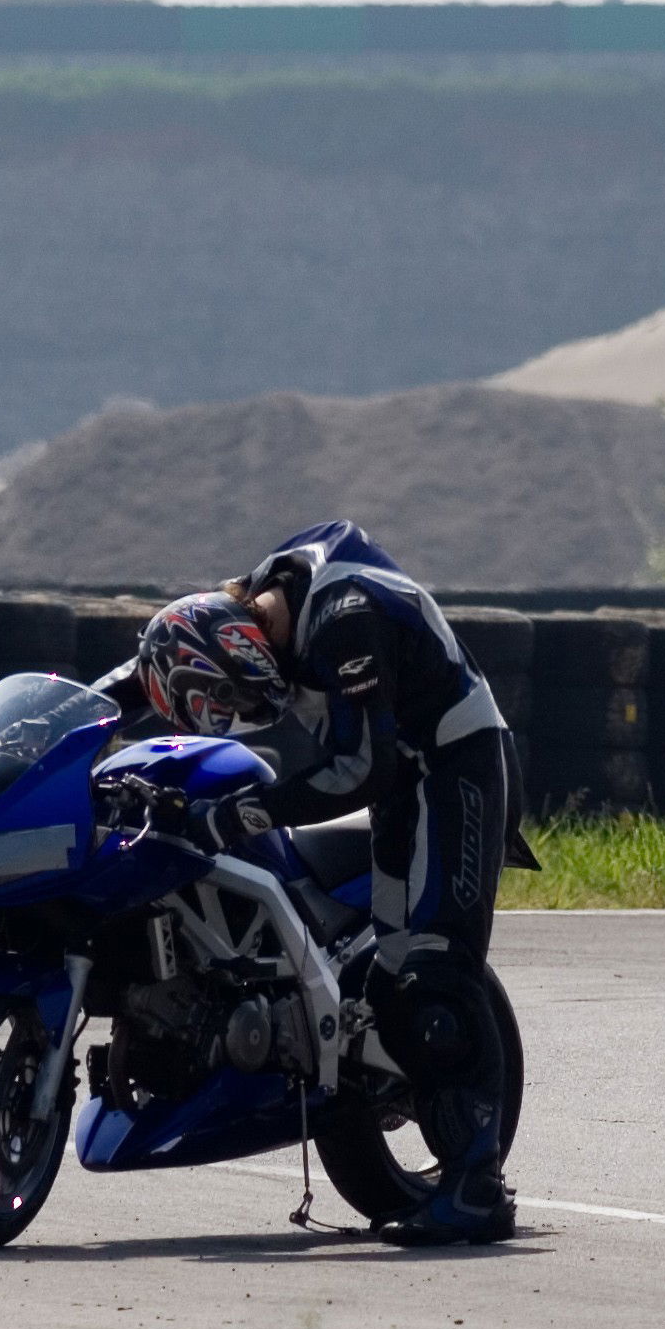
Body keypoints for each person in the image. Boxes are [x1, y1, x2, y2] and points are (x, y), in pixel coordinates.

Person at [137, 519, 530, 1245]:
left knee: (433, 974)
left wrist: (239, 814)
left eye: (231, 692)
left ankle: (478, 1189)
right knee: (387, 982)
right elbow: (150, 674)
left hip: (456, 769)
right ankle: (439, 1164)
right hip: (405, 786)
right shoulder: (263, 600)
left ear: (247, 645)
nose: (234, 710)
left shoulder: (342, 619)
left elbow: (360, 767)